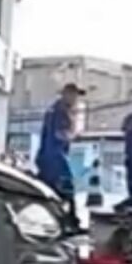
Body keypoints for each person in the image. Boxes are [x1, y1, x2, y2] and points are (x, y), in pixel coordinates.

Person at [35, 82, 83, 217]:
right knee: (67, 188)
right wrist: (73, 135)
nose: (75, 100)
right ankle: (71, 218)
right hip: (55, 158)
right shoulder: (60, 112)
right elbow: (58, 134)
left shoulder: (56, 110)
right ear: (66, 94)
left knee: (48, 191)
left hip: (47, 157)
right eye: (73, 95)